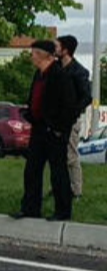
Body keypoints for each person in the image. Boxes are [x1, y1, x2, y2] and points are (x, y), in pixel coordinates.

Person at [14, 40, 79, 221]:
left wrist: (59, 128)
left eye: (34, 52)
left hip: (54, 131)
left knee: (58, 171)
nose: (31, 56)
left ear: (44, 55)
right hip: (39, 128)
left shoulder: (60, 76)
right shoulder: (39, 74)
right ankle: (30, 208)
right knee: (32, 169)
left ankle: (63, 211)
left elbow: (70, 106)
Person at [55, 35, 93, 199]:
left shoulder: (79, 72)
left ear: (65, 50)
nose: (54, 49)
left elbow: (86, 97)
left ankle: (76, 190)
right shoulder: (56, 68)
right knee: (57, 155)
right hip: (56, 119)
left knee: (71, 155)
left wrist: (73, 111)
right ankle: (61, 186)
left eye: (57, 46)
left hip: (71, 120)